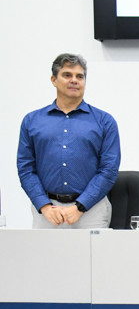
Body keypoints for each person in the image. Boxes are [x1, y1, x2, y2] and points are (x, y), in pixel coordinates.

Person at [17, 53, 121, 229]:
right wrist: (44, 205)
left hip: (91, 210)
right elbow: (26, 169)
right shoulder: (32, 121)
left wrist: (80, 206)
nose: (74, 80)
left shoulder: (104, 121)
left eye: (79, 76)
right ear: (53, 79)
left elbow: (109, 170)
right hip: (47, 211)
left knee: (93, 257)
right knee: (46, 256)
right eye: (67, 75)